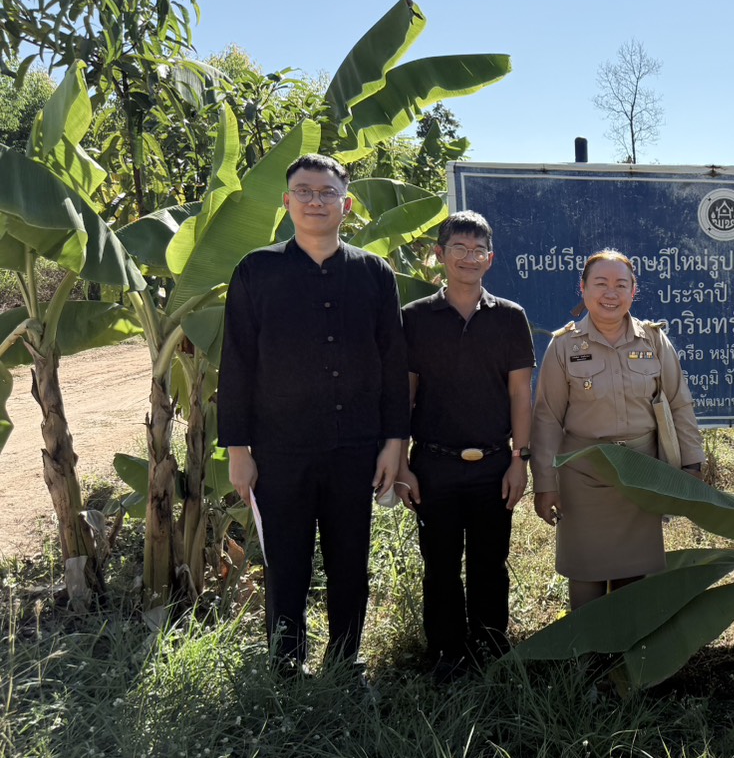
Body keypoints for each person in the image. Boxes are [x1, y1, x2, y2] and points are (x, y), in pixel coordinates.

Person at [220, 153, 409, 676]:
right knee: (287, 564)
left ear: (346, 205)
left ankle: (346, 662)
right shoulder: (257, 270)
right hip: (280, 450)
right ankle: (286, 666)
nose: (315, 201)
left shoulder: (374, 272)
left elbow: (394, 363)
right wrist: (239, 451)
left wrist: (395, 443)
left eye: (326, 193)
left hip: (356, 447)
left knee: (351, 562)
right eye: (303, 191)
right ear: (286, 202)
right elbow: (236, 365)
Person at [397, 211, 534, 681]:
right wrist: (401, 464)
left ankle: (492, 649)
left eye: (478, 251)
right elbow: (405, 394)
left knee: (490, 564)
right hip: (434, 465)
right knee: (439, 566)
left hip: (495, 464)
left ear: (490, 259)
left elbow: (520, 393)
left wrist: (521, 460)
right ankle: (446, 653)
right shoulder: (414, 318)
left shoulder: (511, 319)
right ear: (440, 254)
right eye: (458, 248)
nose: (468, 258)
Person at [531, 249, 704, 610]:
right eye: (601, 283)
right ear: (583, 289)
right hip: (584, 474)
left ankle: (627, 654)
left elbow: (678, 403)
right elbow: (547, 418)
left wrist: (692, 465)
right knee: (586, 573)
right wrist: (545, 484)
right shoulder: (564, 346)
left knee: (635, 574)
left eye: (620, 285)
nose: (611, 293)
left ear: (633, 292)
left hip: (641, 472)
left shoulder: (654, 341)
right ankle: (586, 659)